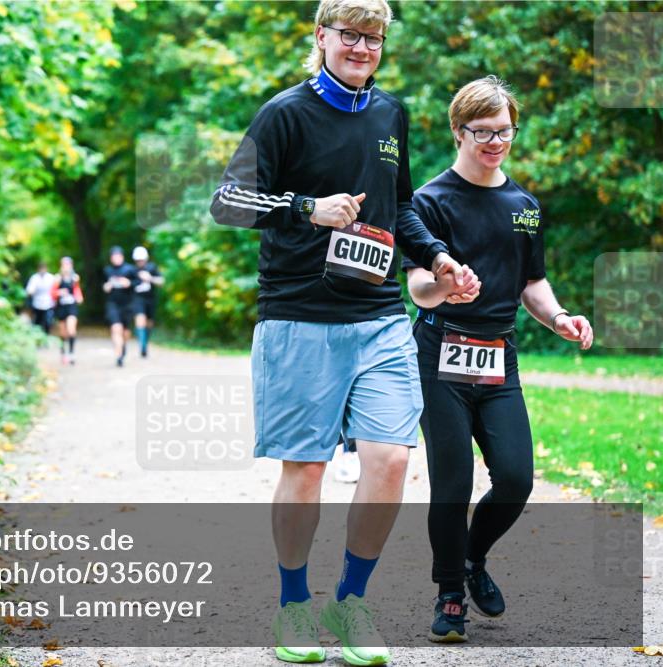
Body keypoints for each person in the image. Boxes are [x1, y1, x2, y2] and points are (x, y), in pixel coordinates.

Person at [209, 0, 476, 663]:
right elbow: (227, 201)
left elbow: (403, 204)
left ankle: (350, 599)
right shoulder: (285, 114)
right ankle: (293, 605)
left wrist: (435, 256)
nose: (362, 47)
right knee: (306, 469)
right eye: (350, 35)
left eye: (374, 38)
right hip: (299, 316)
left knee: (389, 458)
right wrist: (308, 209)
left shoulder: (392, 114)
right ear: (322, 37)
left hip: (380, 314)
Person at [403, 76, 593, 643]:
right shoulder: (428, 201)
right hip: (440, 350)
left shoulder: (525, 206)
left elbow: (533, 282)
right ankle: (450, 595)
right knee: (452, 481)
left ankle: (472, 557)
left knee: (515, 477)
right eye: (482, 131)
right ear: (458, 131)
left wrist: (558, 317)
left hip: (498, 357)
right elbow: (416, 285)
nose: (494, 142)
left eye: (504, 131)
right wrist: (445, 285)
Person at [102, 246, 138, 367]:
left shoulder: (130, 269)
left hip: (127, 304)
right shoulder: (107, 270)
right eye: (113, 256)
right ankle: (118, 355)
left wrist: (129, 283)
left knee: (125, 332)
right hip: (113, 304)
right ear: (111, 258)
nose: (116, 258)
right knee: (116, 328)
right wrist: (106, 287)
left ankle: (123, 348)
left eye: (118, 256)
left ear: (122, 256)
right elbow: (104, 285)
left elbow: (138, 283)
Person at [131, 246, 164, 358]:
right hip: (137, 300)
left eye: (142, 259)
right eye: (138, 260)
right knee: (140, 321)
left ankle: (145, 342)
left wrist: (150, 278)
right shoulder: (132, 271)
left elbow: (161, 281)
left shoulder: (152, 268)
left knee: (149, 324)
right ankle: (143, 346)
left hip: (150, 300)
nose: (140, 262)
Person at [53, 256, 84, 365]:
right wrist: (59, 293)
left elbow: (77, 290)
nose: (66, 267)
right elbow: (52, 293)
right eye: (64, 265)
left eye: (68, 265)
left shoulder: (75, 278)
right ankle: (63, 352)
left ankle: (71, 353)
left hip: (71, 306)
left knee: (71, 329)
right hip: (61, 307)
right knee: (63, 333)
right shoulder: (57, 278)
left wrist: (79, 297)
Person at [25, 262, 56, 337]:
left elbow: (55, 289)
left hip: (48, 303)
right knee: (37, 322)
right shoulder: (34, 278)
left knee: (48, 321)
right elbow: (29, 290)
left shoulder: (51, 277)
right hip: (37, 304)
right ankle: (38, 337)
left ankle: (46, 336)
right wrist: (31, 292)